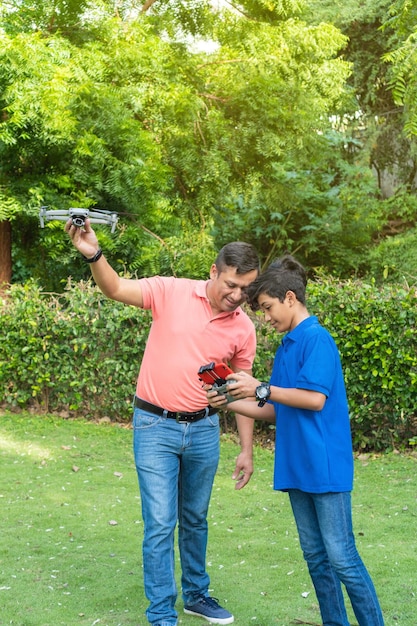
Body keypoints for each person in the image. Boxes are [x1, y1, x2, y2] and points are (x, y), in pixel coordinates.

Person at [65, 218, 260, 626]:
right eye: (231, 284)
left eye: (246, 288)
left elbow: (242, 392)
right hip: (155, 426)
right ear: (214, 272)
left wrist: (246, 449)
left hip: (206, 429)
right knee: (159, 523)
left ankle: (197, 595)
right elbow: (116, 288)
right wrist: (93, 254)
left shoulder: (243, 327)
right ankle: (160, 615)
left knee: (195, 518)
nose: (237, 295)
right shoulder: (170, 291)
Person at [208, 255, 385, 626]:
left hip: (324, 465)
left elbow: (313, 399)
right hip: (296, 465)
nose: (266, 317)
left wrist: (262, 387)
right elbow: (277, 408)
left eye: (268, 307)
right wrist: (232, 401)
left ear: (290, 298)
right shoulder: (288, 344)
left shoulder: (316, 339)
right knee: (316, 558)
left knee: (342, 557)